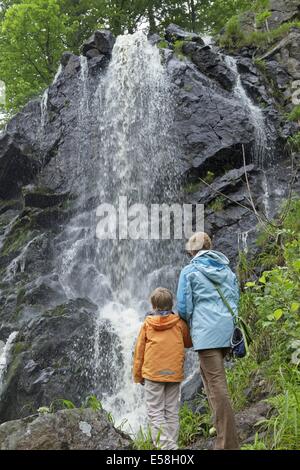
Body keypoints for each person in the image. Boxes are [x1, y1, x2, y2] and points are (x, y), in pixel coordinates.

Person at [176, 232, 240, 450]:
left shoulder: (190, 270)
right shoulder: (226, 269)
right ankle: (220, 429)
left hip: (206, 333)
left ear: (192, 251)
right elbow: (235, 298)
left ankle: (227, 444)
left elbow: (184, 306)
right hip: (226, 331)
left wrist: (191, 323)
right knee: (210, 381)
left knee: (217, 386)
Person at [133, 287, 192, 450]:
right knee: (171, 410)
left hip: (153, 374)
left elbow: (139, 351)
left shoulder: (147, 324)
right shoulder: (179, 323)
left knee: (155, 411)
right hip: (174, 373)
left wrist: (138, 375)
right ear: (172, 304)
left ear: (153, 306)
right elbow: (188, 342)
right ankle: (172, 445)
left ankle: (166, 448)